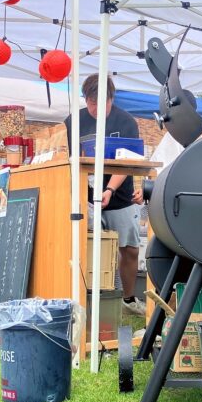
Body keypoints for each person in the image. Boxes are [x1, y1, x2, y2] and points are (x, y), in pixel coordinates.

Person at [65, 74, 146, 316]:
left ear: (111, 98)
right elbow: (69, 159)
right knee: (88, 247)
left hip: (120, 197)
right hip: (85, 196)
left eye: (103, 103)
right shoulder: (73, 121)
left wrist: (110, 189)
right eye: (91, 103)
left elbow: (128, 160)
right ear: (86, 99)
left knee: (129, 248)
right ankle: (87, 300)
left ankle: (129, 300)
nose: (97, 109)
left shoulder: (126, 121)